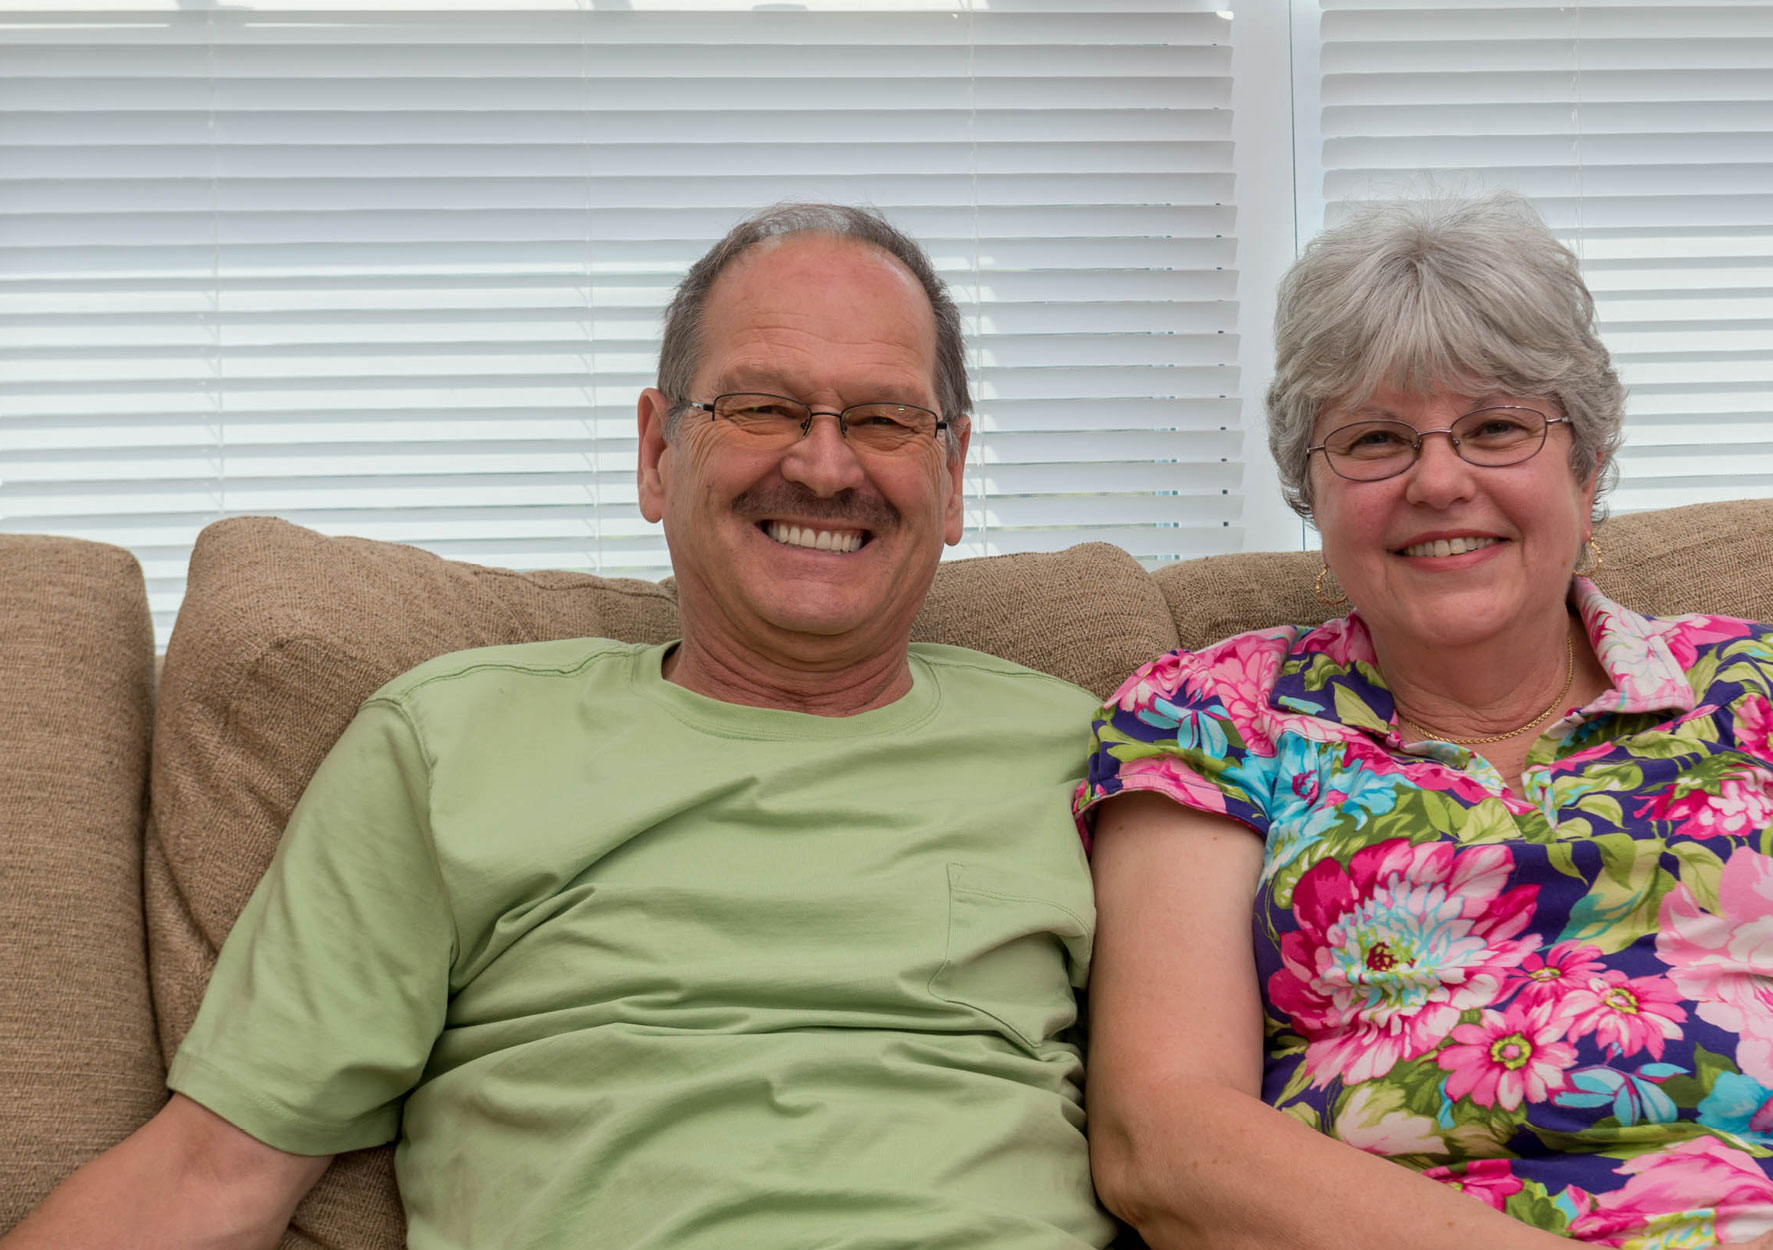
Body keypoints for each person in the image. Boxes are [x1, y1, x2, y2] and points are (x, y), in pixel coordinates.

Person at [4, 204, 1115, 1250]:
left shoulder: (1097, 755)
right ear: (656, 451)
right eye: (763, 406)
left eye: (881, 418)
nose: (823, 465)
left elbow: (1202, 1125)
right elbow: (212, 1173)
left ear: (954, 470)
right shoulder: (451, 739)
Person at [1077, 194, 1773, 1250]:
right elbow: (1165, 1132)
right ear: (1310, 489)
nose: (1438, 480)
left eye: (1497, 427)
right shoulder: (1207, 719)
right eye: (1373, 439)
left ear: (1587, 464)